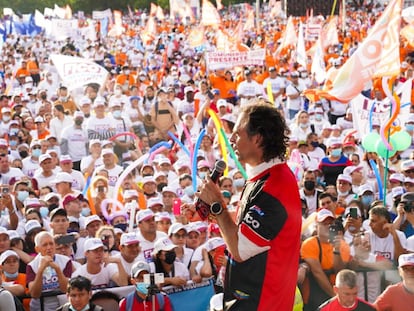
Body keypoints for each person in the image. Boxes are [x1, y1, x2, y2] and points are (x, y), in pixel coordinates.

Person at [195, 103, 302, 310]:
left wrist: (218, 205)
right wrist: (211, 211)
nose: (231, 139)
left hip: (263, 303)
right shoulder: (263, 178)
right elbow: (245, 229)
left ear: (257, 138)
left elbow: (239, 249)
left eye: (237, 133)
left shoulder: (275, 187)